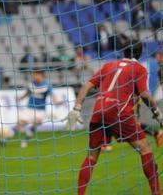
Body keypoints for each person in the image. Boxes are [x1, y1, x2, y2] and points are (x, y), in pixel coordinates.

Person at [66, 39, 162, 195]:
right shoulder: (139, 68)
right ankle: (156, 192)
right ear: (140, 53)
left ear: (122, 52)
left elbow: (86, 85)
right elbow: (144, 94)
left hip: (99, 110)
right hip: (119, 111)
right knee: (145, 149)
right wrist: (158, 114)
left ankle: (80, 194)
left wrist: (76, 108)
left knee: (92, 156)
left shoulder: (109, 65)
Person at [16, 69, 63, 148]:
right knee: (20, 123)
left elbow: (53, 95)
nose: (34, 76)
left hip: (40, 109)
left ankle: (25, 140)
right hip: (29, 108)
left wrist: (57, 102)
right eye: (33, 75)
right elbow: (27, 93)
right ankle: (7, 138)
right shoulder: (31, 84)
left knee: (37, 122)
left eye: (35, 75)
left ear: (40, 75)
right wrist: (20, 98)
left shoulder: (47, 85)